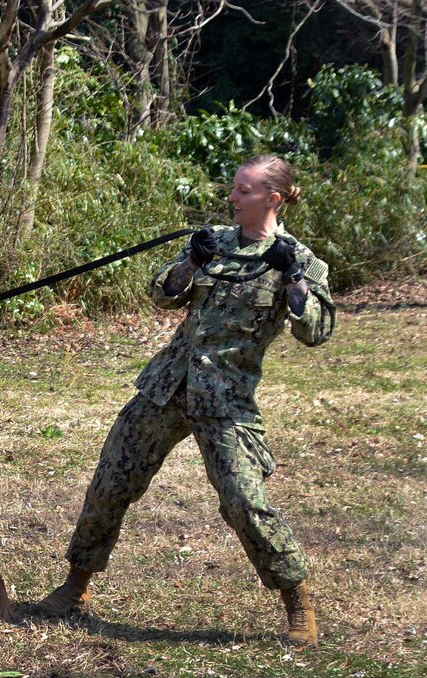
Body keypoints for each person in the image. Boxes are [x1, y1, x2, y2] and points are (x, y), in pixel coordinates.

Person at [38, 154, 336, 646]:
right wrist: (190, 261)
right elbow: (163, 294)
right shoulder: (214, 241)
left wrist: (294, 280)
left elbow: (318, 331)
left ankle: (297, 599)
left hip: (226, 400)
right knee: (112, 481)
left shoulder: (299, 260)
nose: (232, 197)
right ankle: (76, 586)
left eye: (244, 190)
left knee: (243, 501)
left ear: (273, 199)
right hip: (166, 387)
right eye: (234, 188)